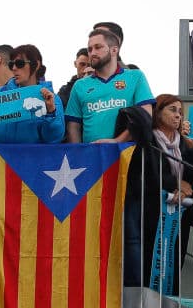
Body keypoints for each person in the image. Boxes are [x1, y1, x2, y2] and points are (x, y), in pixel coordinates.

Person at [65, 29, 155, 286]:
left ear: (114, 50)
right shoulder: (81, 86)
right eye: (89, 48)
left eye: (97, 47)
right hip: (91, 168)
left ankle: (133, 292)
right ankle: (92, 287)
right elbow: (73, 125)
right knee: (92, 230)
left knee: (130, 231)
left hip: (129, 164)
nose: (92, 52)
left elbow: (145, 115)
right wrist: (78, 155)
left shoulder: (135, 77)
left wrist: (117, 142)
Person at [147, 94, 193, 294]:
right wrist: (176, 184)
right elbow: (149, 172)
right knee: (154, 263)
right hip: (155, 211)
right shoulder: (149, 139)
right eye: (172, 110)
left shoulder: (183, 143)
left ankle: (171, 306)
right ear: (158, 112)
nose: (178, 115)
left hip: (182, 212)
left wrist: (191, 144)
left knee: (175, 263)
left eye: (180, 112)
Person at [0, 44, 64, 145]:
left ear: (36, 65)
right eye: (11, 64)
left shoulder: (52, 99)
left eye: (20, 63)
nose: (14, 68)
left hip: (33, 155)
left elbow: (53, 139)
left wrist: (51, 112)